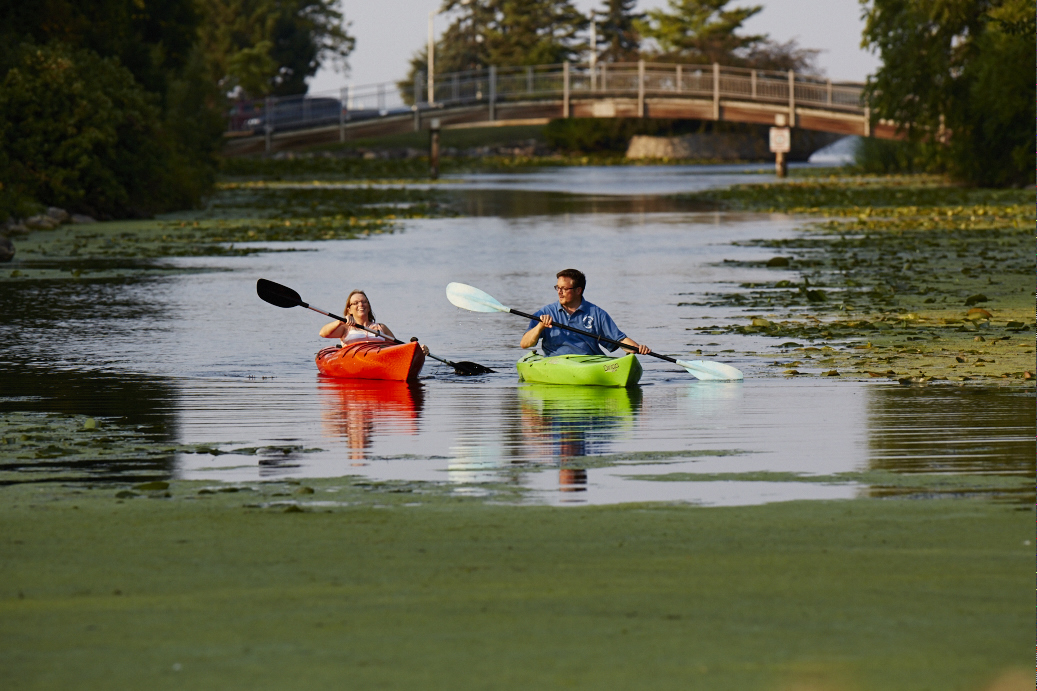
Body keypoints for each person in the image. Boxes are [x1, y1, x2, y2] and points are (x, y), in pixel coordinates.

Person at [520, 269, 651, 356]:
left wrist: (638, 348)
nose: (559, 292)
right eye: (558, 288)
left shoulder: (597, 314)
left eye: (564, 289)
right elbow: (525, 344)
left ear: (578, 291)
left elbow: (619, 340)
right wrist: (540, 327)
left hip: (589, 363)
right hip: (556, 363)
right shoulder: (545, 312)